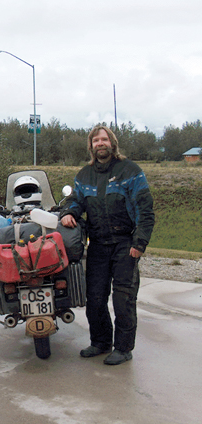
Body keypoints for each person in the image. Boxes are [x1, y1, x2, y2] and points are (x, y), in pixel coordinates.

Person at [60, 125, 154, 365]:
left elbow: (146, 210)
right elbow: (75, 200)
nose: (100, 143)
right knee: (95, 298)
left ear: (112, 143)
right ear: (91, 145)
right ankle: (101, 342)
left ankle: (123, 348)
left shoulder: (130, 171)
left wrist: (139, 243)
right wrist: (69, 212)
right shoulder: (84, 175)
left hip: (125, 244)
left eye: (104, 139)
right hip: (98, 245)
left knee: (123, 298)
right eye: (96, 140)